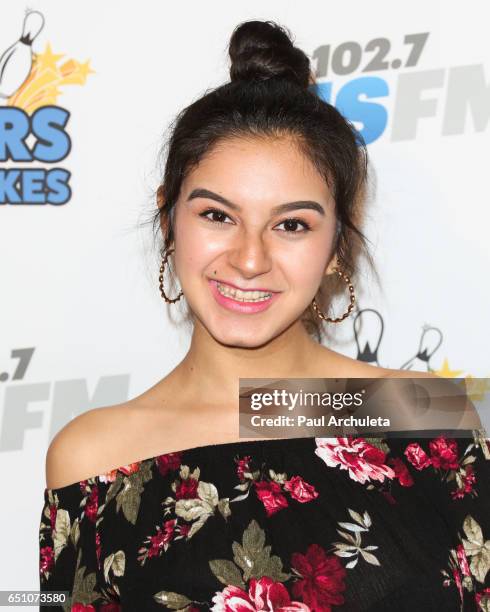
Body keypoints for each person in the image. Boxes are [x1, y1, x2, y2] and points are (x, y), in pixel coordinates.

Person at [39, 20, 489, 611]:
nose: (250, 259)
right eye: (217, 216)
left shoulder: (429, 414)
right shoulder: (92, 458)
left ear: (336, 247)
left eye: (292, 225)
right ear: (169, 218)